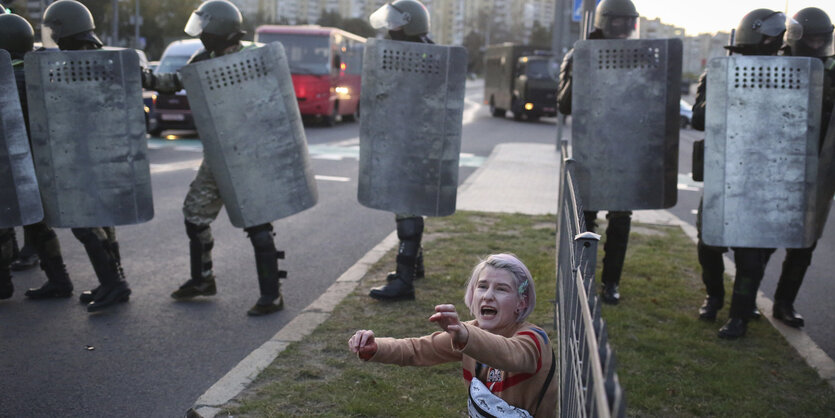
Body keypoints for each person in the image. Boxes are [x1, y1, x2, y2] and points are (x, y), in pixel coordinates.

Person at [146, 0, 286, 316]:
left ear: (218, 30)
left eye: (206, 30)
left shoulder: (253, 56)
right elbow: (171, 84)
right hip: (218, 153)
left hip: (250, 152)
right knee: (195, 214)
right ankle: (202, 279)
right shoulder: (205, 57)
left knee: (257, 221)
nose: (201, 36)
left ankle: (272, 294)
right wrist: (142, 75)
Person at [348, 254, 557, 417]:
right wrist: (376, 348)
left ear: (521, 302)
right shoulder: (469, 333)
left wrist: (466, 335)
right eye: (482, 286)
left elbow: (509, 354)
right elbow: (416, 349)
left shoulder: (535, 339)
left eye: (501, 289)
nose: (488, 295)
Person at [690, 9, 787, 339]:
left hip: (763, 178)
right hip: (722, 172)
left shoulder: (788, 72)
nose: (774, 43)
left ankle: (740, 315)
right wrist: (728, 90)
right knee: (708, 245)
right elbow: (699, 119)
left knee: (751, 255)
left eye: (777, 38)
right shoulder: (719, 72)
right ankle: (714, 296)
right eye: (768, 37)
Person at [30, 0, 132, 312]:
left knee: (85, 222)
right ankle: (114, 283)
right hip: (88, 151)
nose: (56, 40)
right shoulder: (77, 61)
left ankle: (114, 284)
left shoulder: (97, 61)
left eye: (58, 32)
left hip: (95, 152)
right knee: (98, 222)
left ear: (69, 30)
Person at [556, 0, 638, 305]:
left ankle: (611, 282)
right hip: (591, 147)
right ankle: (584, 276)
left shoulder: (635, 55)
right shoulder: (579, 53)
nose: (623, 28)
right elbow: (564, 105)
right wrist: (580, 68)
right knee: (585, 217)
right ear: (606, 21)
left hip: (622, 149)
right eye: (618, 21)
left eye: (627, 22)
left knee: (620, 217)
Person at [0, 12, 75, 302]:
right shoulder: (37, 73)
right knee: (38, 225)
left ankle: (3, 283)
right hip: (36, 161)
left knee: (3, 224)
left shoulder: (5, 78)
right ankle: (59, 279)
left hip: (7, 162)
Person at [769, 7, 835, 329]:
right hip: (776, 166)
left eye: (824, 39)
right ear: (797, 38)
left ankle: (784, 303)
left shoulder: (832, 71)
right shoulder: (775, 65)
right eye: (812, 40)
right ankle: (743, 304)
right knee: (760, 241)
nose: (818, 45)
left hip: (819, 168)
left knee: (804, 244)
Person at [365, 0, 433, 301]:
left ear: (409, 24)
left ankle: (404, 281)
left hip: (413, 141)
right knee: (406, 204)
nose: (391, 29)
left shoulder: (421, 56)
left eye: (396, 24)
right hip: (409, 139)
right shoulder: (425, 50)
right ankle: (412, 267)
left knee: (406, 206)